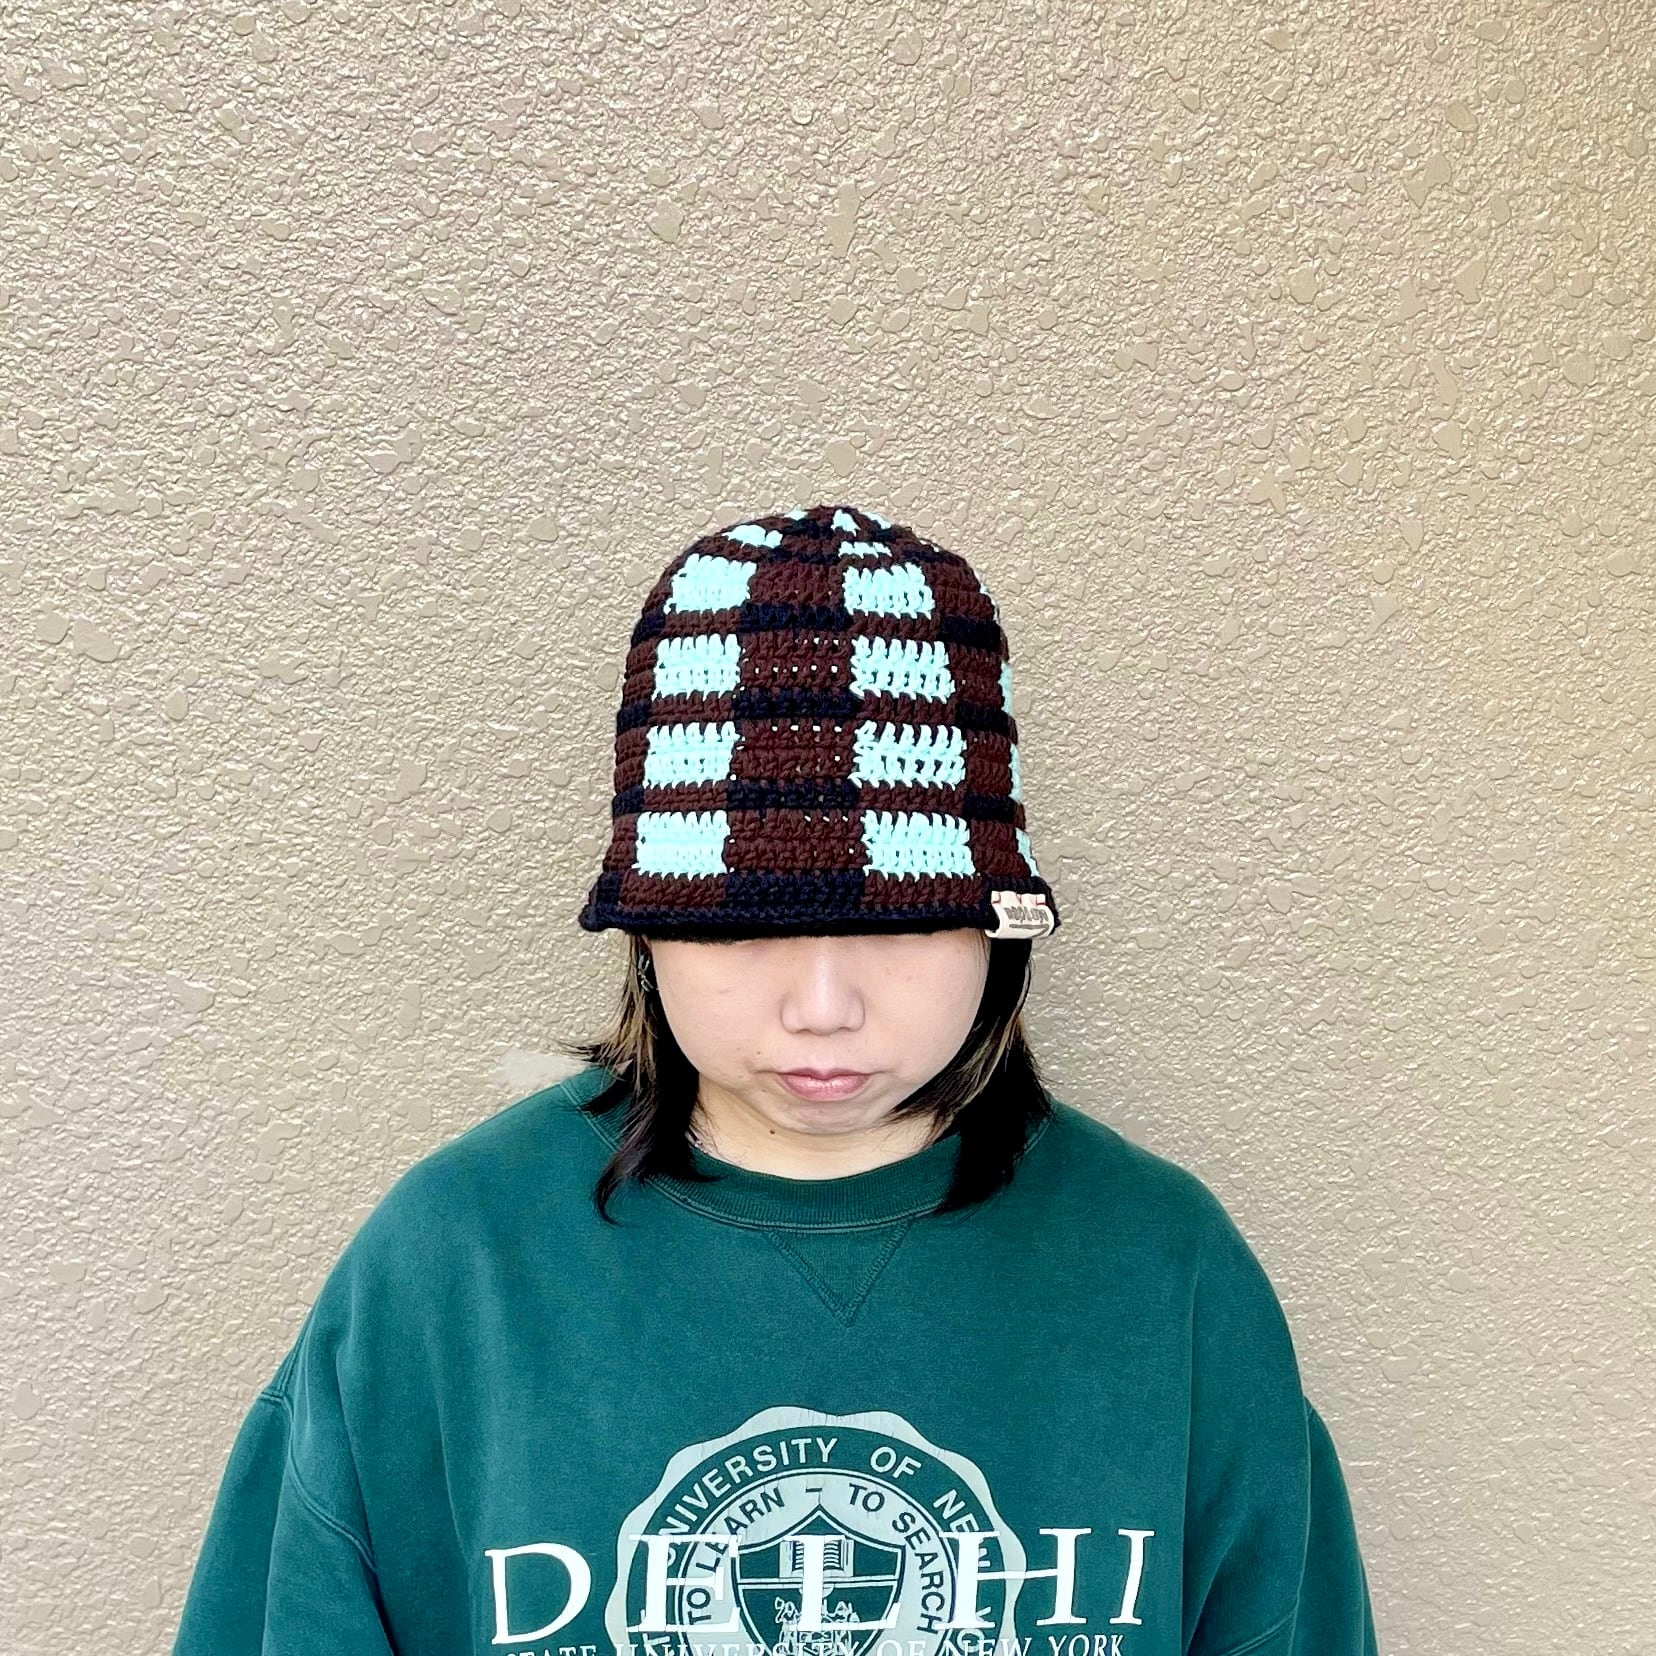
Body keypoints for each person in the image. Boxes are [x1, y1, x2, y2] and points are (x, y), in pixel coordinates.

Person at [172, 502, 1378, 1656]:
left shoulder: (1162, 1270)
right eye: (746, 929)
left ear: (996, 931)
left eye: (900, 929)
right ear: (648, 935)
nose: (822, 1006)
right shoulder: (457, 1264)